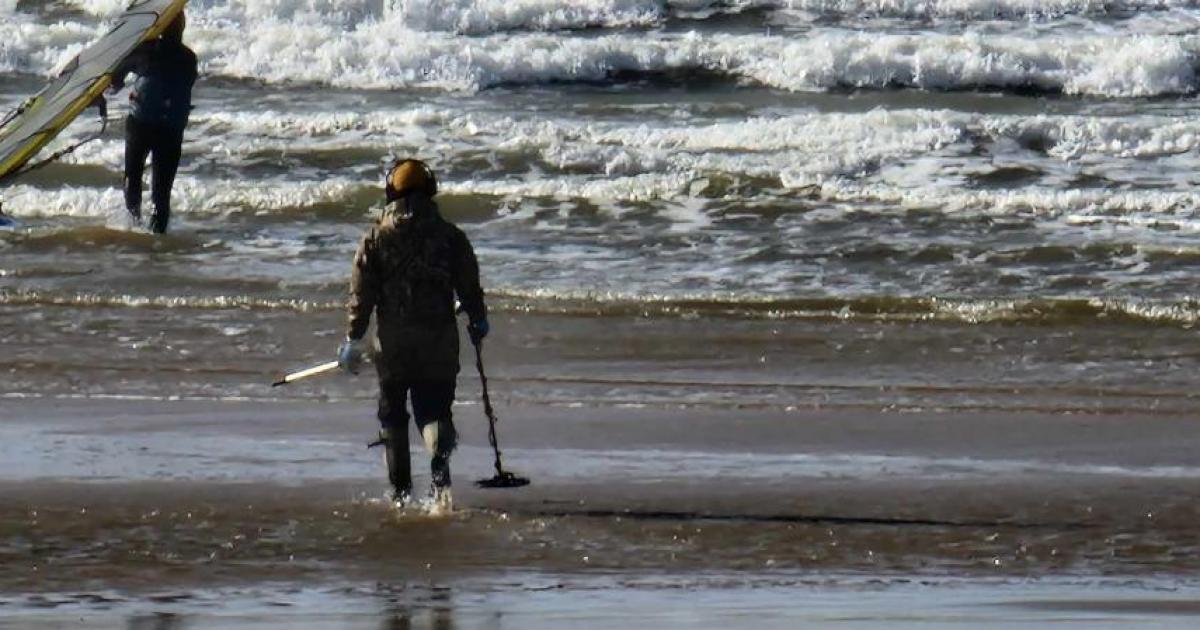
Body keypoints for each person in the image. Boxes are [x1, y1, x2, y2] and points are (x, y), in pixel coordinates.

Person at [338, 159, 489, 509]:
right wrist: (478, 320)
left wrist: (352, 338)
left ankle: (401, 496)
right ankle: (440, 482)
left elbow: (362, 297)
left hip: (392, 346)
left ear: (391, 192)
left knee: (393, 415)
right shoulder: (451, 237)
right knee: (434, 411)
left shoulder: (375, 238)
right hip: (438, 343)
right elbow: (470, 288)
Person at [110, 12, 197, 234]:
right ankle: (158, 236)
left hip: (141, 123)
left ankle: (133, 227)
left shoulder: (146, 49)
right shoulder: (189, 58)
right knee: (161, 192)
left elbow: (115, 78)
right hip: (171, 128)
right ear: (182, 29)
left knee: (133, 176)